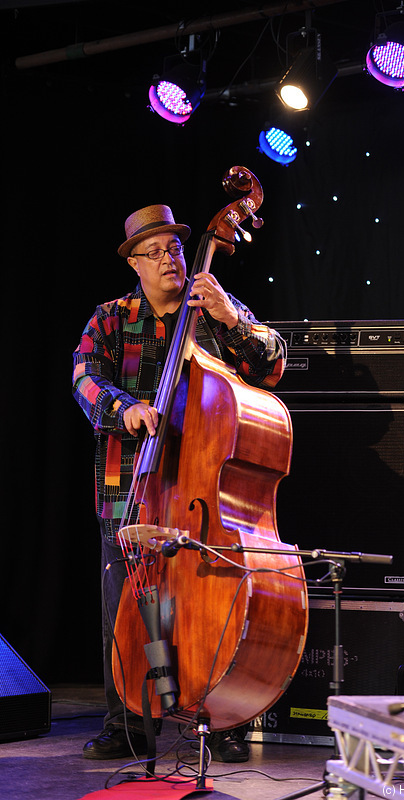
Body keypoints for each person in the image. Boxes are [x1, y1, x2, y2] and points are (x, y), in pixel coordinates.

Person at [72, 204, 287, 762]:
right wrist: (128, 410)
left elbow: (271, 365)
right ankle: (127, 723)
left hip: (206, 494)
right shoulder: (111, 319)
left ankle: (221, 719)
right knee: (124, 606)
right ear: (135, 265)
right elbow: (84, 379)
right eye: (156, 251)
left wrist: (232, 319)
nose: (169, 258)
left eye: (173, 247)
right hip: (133, 490)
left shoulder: (211, 303)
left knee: (215, 603)